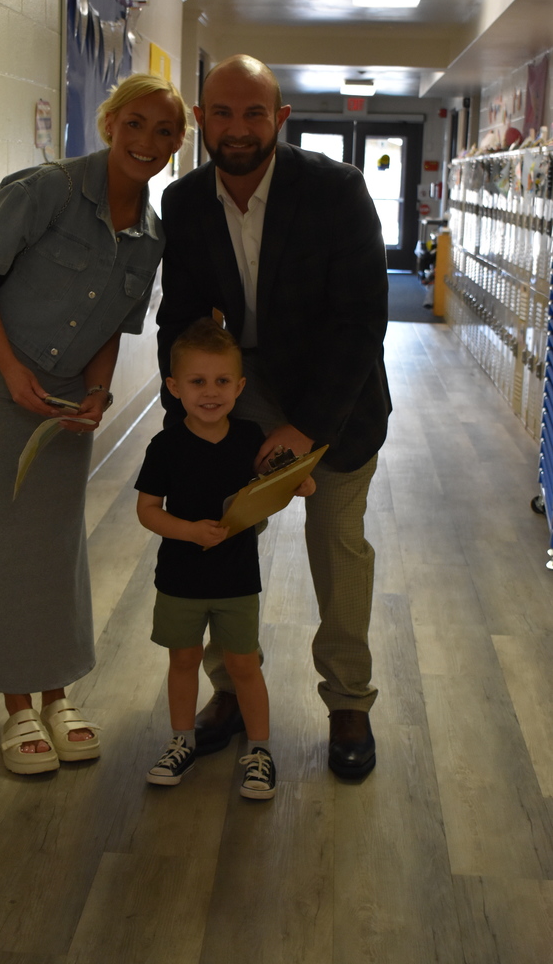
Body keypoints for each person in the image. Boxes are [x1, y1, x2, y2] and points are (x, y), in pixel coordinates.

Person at [0, 74, 188, 775]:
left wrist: (100, 394)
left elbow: (108, 327)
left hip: (67, 404)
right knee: (0, 544)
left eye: (165, 132)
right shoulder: (45, 189)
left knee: (54, 543)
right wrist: (14, 372)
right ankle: (17, 707)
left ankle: (58, 693)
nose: (147, 142)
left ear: (176, 144)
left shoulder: (149, 238)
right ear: (109, 123)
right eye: (135, 123)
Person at [157, 55, 392, 780]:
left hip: (337, 394)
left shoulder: (335, 190)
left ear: (279, 120)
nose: (236, 128)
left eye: (253, 113)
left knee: (337, 545)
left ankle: (347, 700)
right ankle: (230, 692)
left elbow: (361, 319)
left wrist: (308, 427)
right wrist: (187, 406)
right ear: (201, 120)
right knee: (220, 533)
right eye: (221, 113)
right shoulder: (187, 201)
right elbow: (184, 314)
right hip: (239, 385)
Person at [135, 318, 314, 799]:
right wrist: (189, 531)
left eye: (221, 382)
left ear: (240, 386)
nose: (210, 393)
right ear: (174, 387)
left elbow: (278, 483)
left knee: (243, 666)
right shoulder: (165, 446)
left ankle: (259, 750)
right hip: (180, 579)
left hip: (237, 580)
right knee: (183, 660)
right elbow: (147, 510)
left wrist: (299, 481)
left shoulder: (249, 438)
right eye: (197, 382)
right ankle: (181, 742)